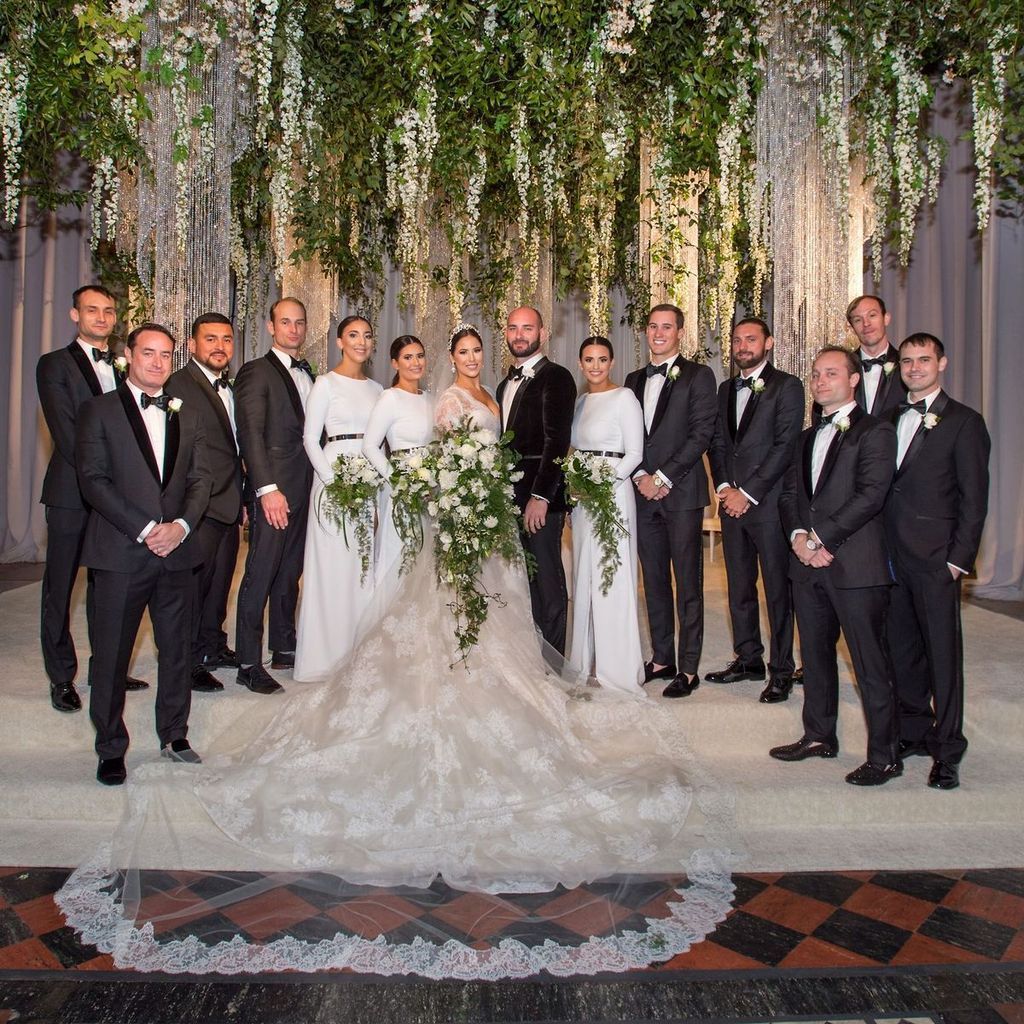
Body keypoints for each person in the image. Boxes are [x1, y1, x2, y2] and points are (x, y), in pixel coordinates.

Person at [75, 323, 212, 785]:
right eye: (148, 353)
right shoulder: (98, 411)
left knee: (176, 650)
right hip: (121, 552)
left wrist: (181, 526)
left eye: (165, 354)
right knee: (113, 654)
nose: (157, 362)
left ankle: (174, 734)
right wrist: (146, 528)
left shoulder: (185, 414)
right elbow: (93, 481)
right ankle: (110, 745)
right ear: (129, 355)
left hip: (175, 553)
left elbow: (200, 481)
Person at [772, 346, 900, 786]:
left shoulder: (877, 431)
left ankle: (885, 755)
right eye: (816, 374)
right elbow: (789, 495)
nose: (821, 381)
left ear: (853, 380)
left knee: (869, 663)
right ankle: (818, 735)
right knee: (816, 656)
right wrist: (798, 539)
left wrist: (821, 538)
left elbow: (871, 495)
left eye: (832, 373)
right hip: (807, 565)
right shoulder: (806, 437)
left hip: (855, 566)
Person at [884, 333, 990, 790]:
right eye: (907, 361)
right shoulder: (889, 419)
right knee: (902, 654)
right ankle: (913, 731)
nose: (914, 367)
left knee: (942, 658)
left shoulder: (965, 422)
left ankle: (948, 748)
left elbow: (974, 499)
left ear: (941, 364)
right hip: (891, 558)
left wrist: (958, 561)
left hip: (936, 560)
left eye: (923, 360)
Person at [36, 284, 149, 713]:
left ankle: (108, 668)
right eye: (91, 310)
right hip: (71, 493)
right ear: (74, 314)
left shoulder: (125, 368)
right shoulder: (54, 365)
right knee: (61, 587)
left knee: (109, 586)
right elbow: (66, 433)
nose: (101, 318)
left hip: (116, 499)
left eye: (107, 311)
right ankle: (61, 676)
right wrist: (104, 482)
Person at [706, 318, 804, 703]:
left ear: (769, 343)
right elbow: (717, 442)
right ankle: (748, 658)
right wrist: (726, 487)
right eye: (736, 340)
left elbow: (785, 446)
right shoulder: (726, 388)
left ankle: (782, 670)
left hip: (769, 506)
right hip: (732, 505)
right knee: (739, 588)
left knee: (778, 591)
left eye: (750, 339)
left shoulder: (788, 386)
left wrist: (748, 492)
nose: (742, 345)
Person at [625, 304, 716, 698]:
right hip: (643, 494)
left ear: (680, 332)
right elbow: (627, 435)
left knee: (688, 581)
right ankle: (662, 657)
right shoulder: (631, 379)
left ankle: (689, 666)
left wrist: (663, 476)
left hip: (681, 493)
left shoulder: (699, 375)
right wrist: (641, 475)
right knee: (655, 580)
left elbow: (701, 434)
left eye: (667, 327)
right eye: (652, 326)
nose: (659, 333)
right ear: (645, 331)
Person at [294, 316, 383, 681]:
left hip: (370, 479)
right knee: (332, 566)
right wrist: (333, 482)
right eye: (353, 335)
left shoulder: (379, 389)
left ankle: (359, 653)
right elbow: (309, 439)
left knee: (363, 566)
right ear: (340, 342)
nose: (361, 342)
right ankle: (323, 658)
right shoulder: (325, 384)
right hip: (333, 479)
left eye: (366, 335)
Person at [233, 297, 314, 695]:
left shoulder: (308, 372)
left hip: (304, 486)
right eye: (285, 322)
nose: (293, 329)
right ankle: (248, 661)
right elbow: (248, 434)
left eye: (299, 323)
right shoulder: (255, 372)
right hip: (274, 491)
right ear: (270, 327)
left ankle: (283, 647)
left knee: (289, 574)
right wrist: (266, 489)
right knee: (260, 573)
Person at [166, 313, 244, 694]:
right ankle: (190, 661)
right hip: (198, 505)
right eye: (210, 339)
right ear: (192, 344)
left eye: (226, 339)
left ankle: (212, 645)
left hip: (229, 499)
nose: (219, 346)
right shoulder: (178, 384)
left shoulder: (229, 385)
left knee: (220, 583)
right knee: (193, 588)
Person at [495, 306, 576, 656]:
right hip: (511, 496)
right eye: (513, 328)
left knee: (547, 580)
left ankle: (554, 660)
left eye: (527, 328)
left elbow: (556, 442)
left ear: (542, 334)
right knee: (523, 581)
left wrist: (541, 496)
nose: (519, 335)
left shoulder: (557, 377)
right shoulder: (504, 384)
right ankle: (531, 653)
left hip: (541, 497)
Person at [568, 336, 645, 692]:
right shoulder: (581, 401)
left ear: (612, 363)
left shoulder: (625, 397)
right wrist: (576, 485)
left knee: (611, 576)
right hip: (584, 498)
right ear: (580, 364)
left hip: (612, 494)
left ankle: (616, 668)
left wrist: (603, 483)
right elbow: (576, 450)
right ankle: (587, 661)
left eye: (602, 359)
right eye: (589, 360)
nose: (595, 366)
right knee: (584, 574)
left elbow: (634, 454)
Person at [361, 335, 435, 577]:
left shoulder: (430, 399)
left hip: (430, 489)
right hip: (401, 491)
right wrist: (400, 482)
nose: (416, 362)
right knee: (399, 554)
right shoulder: (390, 398)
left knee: (425, 555)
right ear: (395, 363)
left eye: (420, 356)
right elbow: (370, 446)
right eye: (408, 357)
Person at [846, 294, 907, 417]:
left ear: (886, 318)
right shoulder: (844, 368)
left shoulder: (906, 364)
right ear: (852, 329)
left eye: (872, 315)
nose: (866, 323)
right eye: (858, 320)